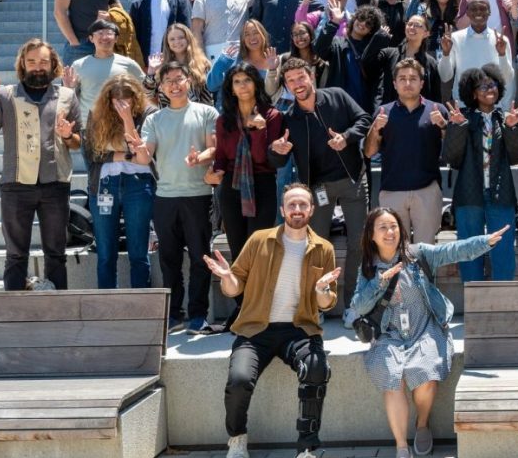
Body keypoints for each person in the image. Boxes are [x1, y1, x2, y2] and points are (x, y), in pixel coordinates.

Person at [351, 208, 508, 458]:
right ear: (371, 235)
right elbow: (358, 306)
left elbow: (452, 252)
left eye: (394, 226)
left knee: (424, 377)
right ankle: (402, 449)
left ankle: (422, 424)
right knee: (392, 377)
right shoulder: (367, 267)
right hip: (389, 335)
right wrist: (378, 283)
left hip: (425, 329)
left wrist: (484, 242)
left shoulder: (417, 254)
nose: (390, 232)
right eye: (383, 228)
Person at [205, 183, 338, 458]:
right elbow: (234, 286)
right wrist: (227, 278)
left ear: (311, 210)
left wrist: (321, 291)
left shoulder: (323, 249)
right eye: (291, 205)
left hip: (299, 329)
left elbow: (327, 302)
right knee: (239, 380)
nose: (297, 210)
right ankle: (237, 436)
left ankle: (305, 452)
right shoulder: (259, 240)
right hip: (256, 328)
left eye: (303, 205)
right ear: (282, 210)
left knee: (317, 369)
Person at [0, 39, 80, 291]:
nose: (37, 66)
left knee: (56, 253)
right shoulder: (5, 95)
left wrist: (67, 135)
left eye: (44, 61)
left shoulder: (66, 95)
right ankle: (14, 317)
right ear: (22, 63)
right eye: (31, 61)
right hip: (15, 185)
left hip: (55, 184)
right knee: (15, 254)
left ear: (53, 64)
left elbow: (77, 142)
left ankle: (56, 313)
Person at [272, 57, 372, 306]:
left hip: (352, 180)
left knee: (359, 243)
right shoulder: (290, 117)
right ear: (286, 85)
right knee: (317, 247)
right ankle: (320, 303)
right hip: (318, 188)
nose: (297, 84)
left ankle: (353, 304)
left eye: (300, 77)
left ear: (312, 76)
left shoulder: (337, 96)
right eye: (290, 80)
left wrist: (347, 138)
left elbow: (364, 119)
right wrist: (277, 151)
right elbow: (275, 159)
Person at [134, 62, 218, 333]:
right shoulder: (154, 119)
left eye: (179, 78)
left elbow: (214, 148)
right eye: (168, 80)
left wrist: (199, 158)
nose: (174, 84)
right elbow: (145, 156)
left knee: (200, 257)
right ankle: (174, 314)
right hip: (165, 196)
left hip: (199, 195)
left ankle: (198, 315)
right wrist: (138, 146)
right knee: (168, 259)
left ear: (189, 81)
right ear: (161, 88)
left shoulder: (206, 112)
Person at [443, 65, 518, 283]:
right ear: (472, 92)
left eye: (492, 84)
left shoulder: (505, 118)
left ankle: (501, 308)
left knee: (503, 253)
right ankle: (474, 306)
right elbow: (452, 158)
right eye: (482, 86)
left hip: (501, 193)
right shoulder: (463, 119)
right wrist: (457, 128)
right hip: (469, 195)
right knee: (469, 252)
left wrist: (513, 129)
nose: (489, 89)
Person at [363, 58, 449, 248]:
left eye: (413, 78)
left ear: (422, 83)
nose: (407, 83)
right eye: (402, 78)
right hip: (392, 191)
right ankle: (398, 280)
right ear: (394, 84)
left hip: (427, 190)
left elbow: (453, 149)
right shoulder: (383, 112)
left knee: (425, 252)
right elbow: (369, 152)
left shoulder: (437, 109)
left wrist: (443, 125)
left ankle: (425, 280)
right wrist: (375, 129)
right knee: (393, 250)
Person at [83, 74, 155, 291]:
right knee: (105, 252)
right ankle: (108, 305)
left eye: (127, 100)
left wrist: (127, 120)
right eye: (116, 101)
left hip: (138, 184)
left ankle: (142, 303)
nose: (122, 105)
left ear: (136, 98)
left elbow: (142, 151)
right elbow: (92, 155)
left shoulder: (149, 114)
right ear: (108, 100)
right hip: (106, 184)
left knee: (138, 251)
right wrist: (124, 156)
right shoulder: (97, 115)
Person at [210, 63, 285, 262]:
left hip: (262, 185)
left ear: (256, 84)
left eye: (247, 80)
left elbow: (262, 158)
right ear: (231, 89)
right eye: (237, 82)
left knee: (259, 250)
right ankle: (241, 295)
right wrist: (213, 174)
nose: (242, 85)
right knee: (238, 251)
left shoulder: (272, 116)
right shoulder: (223, 121)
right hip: (231, 188)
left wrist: (259, 131)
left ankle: (258, 294)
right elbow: (221, 159)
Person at [61, 19, 146, 126]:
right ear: (91, 38)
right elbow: (70, 97)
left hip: (120, 123)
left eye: (109, 33)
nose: (105, 37)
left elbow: (144, 90)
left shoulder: (129, 64)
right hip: (88, 124)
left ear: (116, 39)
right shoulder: (78, 65)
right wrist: (69, 88)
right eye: (100, 33)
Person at [439, 0, 515, 108]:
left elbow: (507, 78)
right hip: (463, 106)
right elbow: (445, 76)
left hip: (493, 106)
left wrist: (502, 54)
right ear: (467, 13)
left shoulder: (501, 40)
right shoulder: (454, 39)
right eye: (473, 9)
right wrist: (445, 54)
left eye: (483, 9)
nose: (478, 12)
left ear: (489, 12)